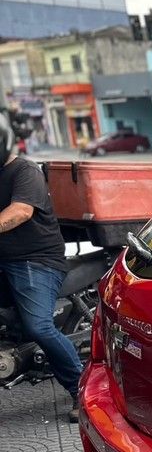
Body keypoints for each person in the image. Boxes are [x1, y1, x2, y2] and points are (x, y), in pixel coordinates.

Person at [0, 110, 84, 421]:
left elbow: (20, 211)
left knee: (39, 326)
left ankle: (82, 390)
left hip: (36, 260)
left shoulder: (25, 171)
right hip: (5, 260)